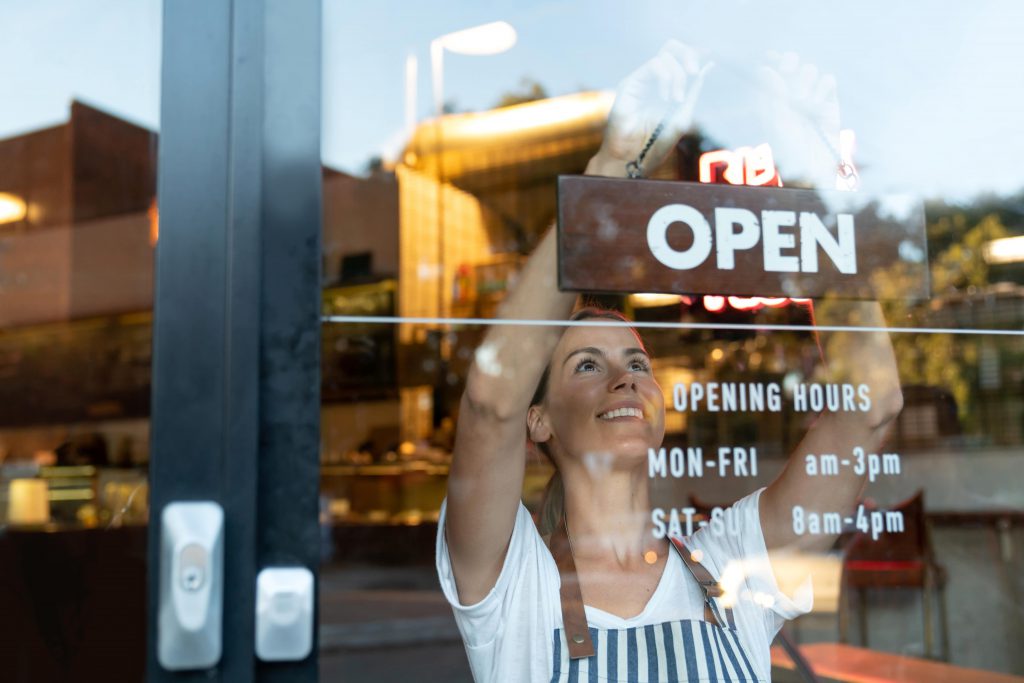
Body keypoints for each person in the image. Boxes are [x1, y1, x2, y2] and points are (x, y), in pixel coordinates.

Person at [436, 41, 903, 682]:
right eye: (586, 366)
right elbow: (491, 401)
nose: (625, 376)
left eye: (637, 361)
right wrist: (613, 165)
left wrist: (813, 180)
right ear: (537, 419)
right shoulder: (511, 580)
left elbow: (871, 408)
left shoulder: (731, 564)